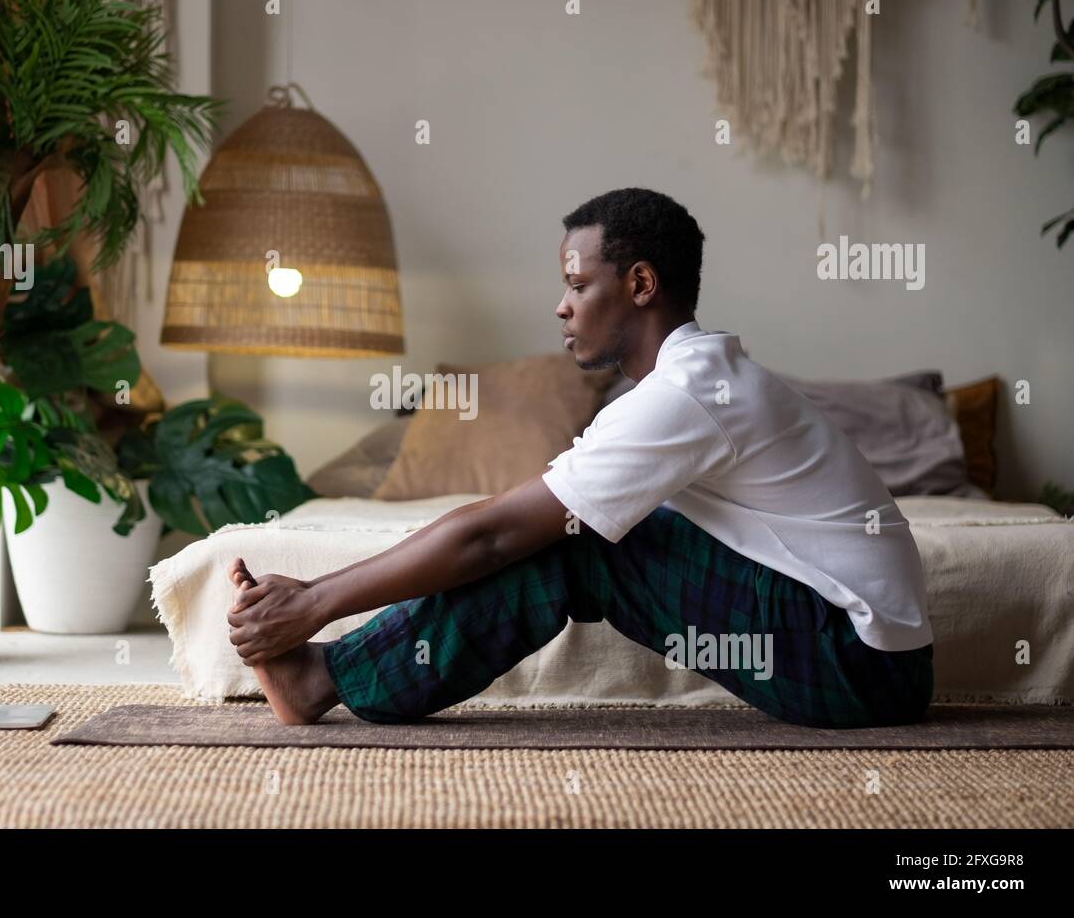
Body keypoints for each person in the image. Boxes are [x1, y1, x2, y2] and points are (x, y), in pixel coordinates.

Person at [226, 187, 935, 728]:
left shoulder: (687, 394)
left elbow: (493, 533)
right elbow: (502, 522)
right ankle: (328, 676)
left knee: (574, 541)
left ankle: (322, 679)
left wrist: (315, 601)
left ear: (641, 285)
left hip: (858, 663)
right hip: (875, 658)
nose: (561, 307)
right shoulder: (696, 379)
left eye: (576, 284)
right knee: (575, 523)